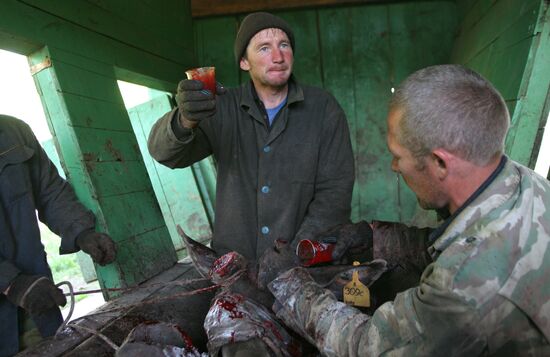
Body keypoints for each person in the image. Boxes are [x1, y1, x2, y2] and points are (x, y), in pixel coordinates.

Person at [267, 64, 550, 355]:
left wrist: (292, 288)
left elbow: (369, 347)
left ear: (440, 162)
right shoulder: (523, 181)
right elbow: (463, 238)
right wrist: (375, 240)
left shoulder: (463, 284)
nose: (394, 167)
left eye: (397, 156)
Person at [148, 12, 354, 261]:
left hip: (302, 265)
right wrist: (185, 119)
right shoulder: (221, 107)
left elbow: (335, 192)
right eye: (264, 48)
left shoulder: (323, 108)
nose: (278, 57)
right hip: (235, 265)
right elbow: (163, 153)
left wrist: (296, 253)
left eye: (284, 45)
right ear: (244, 61)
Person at [0, 115, 117, 356]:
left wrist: (81, 232)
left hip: (35, 300)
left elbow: (49, 192)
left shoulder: (14, 132)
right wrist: (11, 282)